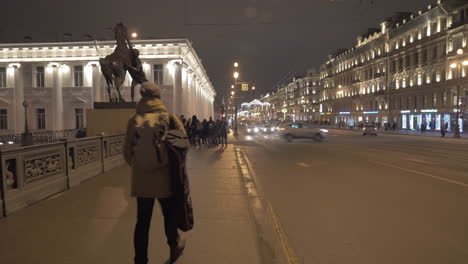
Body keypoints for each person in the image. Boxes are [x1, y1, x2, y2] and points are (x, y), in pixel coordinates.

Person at [123, 81, 186, 264]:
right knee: (169, 215)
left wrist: (140, 167)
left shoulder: (134, 120)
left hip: (142, 181)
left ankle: (140, 260)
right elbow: (183, 144)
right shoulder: (169, 118)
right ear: (158, 98)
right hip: (164, 178)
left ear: (142, 98)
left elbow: (127, 153)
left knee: (142, 222)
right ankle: (174, 247)